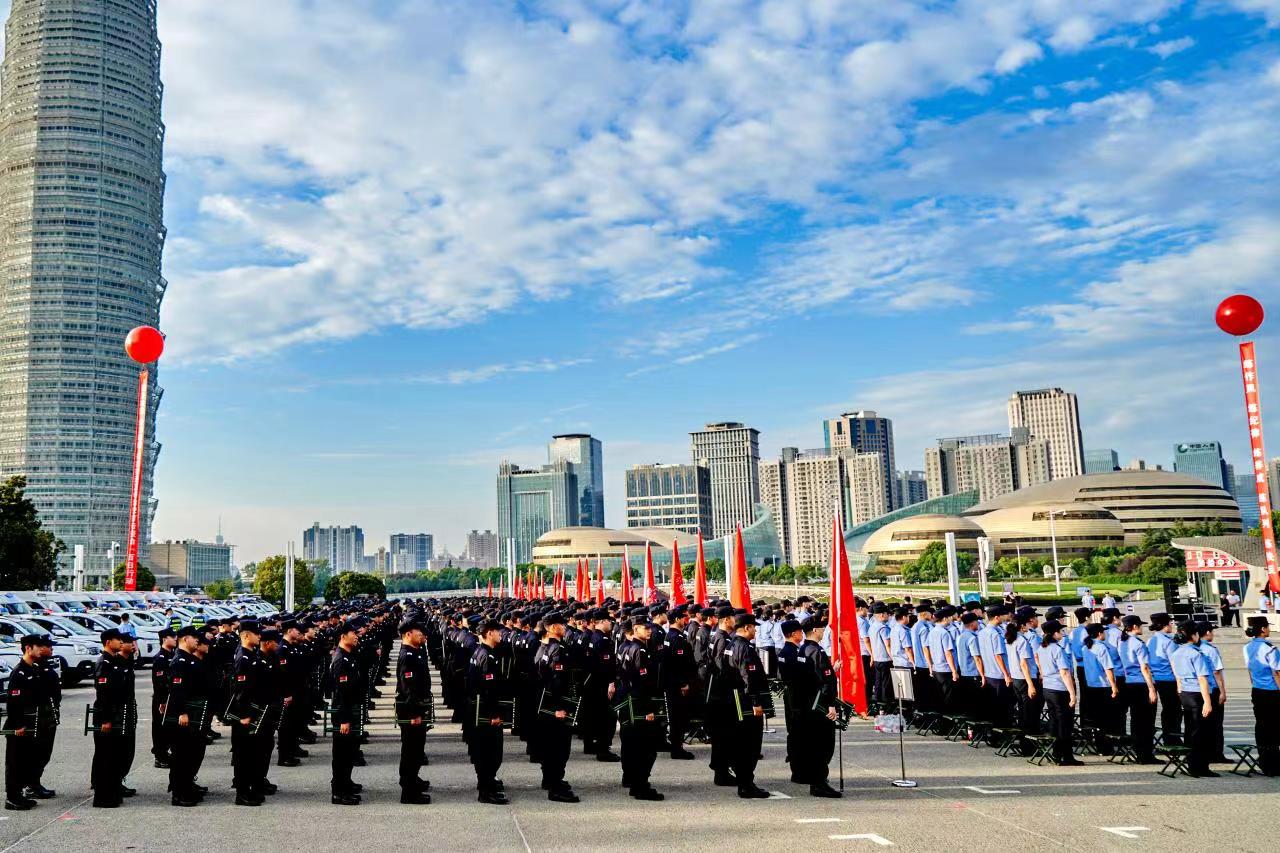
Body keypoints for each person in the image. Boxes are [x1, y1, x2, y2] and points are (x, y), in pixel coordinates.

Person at [782, 618, 841, 798]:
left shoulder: (802, 649)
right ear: (815, 630)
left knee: (813, 744)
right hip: (819, 706)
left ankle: (816, 780)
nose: (824, 632)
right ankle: (819, 783)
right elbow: (824, 681)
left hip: (807, 704)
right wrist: (831, 704)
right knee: (823, 746)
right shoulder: (816, 650)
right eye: (823, 629)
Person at [4, 635, 55, 810]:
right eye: (38, 646)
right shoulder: (19, 672)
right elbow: (13, 702)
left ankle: (20, 794)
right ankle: (12, 798)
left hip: (31, 724)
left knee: (25, 761)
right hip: (19, 725)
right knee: (15, 762)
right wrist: (17, 725)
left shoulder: (32, 669)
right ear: (28, 648)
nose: (41, 649)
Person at [533, 612, 579, 803]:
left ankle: (550, 780)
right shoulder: (557, 649)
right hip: (555, 706)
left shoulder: (544, 647)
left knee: (550, 746)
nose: (565, 626)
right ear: (552, 628)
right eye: (561, 624)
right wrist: (559, 707)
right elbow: (556, 681)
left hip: (545, 705)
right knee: (559, 748)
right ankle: (555, 786)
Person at [616, 617, 663, 801]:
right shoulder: (639, 650)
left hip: (629, 702)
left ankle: (633, 780)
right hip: (640, 704)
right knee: (645, 748)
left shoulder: (625, 646)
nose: (649, 630)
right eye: (646, 628)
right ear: (636, 629)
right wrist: (649, 709)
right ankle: (640, 785)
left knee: (631, 744)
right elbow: (642, 683)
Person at [724, 614, 770, 799]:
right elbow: (748, 677)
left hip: (734, 700)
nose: (756, 630)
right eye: (753, 627)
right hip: (745, 703)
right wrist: (755, 702)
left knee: (741, 744)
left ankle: (745, 782)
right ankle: (746, 784)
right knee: (749, 745)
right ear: (746, 628)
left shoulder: (731, 645)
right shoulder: (744, 648)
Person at [90, 628, 137, 809]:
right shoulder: (105, 663)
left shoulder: (115, 661)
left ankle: (113, 792)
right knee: (105, 758)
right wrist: (105, 719)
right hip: (107, 716)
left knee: (115, 757)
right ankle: (103, 797)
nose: (121, 642)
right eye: (117, 639)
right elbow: (103, 695)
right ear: (109, 642)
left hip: (118, 714)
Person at [227, 620, 271, 806]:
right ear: (246, 635)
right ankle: (242, 793)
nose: (259, 636)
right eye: (255, 633)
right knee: (243, 754)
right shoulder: (242, 657)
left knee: (253, 753)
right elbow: (240, 689)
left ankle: (251, 788)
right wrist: (244, 714)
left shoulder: (252, 654)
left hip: (254, 710)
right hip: (245, 714)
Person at [165, 626, 210, 807]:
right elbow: (177, 689)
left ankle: (187, 786)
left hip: (196, 712)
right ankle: (179, 793)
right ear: (184, 639)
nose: (197, 641)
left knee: (192, 752)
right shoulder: (179, 661)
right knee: (182, 755)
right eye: (194, 638)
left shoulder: (190, 659)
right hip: (185, 714)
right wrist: (182, 712)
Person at [466, 620, 509, 805]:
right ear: (489, 633)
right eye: (498, 632)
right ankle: (486, 791)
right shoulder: (487, 656)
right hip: (486, 713)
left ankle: (487, 785)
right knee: (491, 753)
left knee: (485, 753)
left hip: (479, 710)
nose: (501, 635)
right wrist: (494, 715)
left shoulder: (480, 652)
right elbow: (488, 689)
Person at [1170, 621, 1216, 777]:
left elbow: (1176, 675)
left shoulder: (1176, 653)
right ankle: (1200, 767)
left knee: (1190, 731)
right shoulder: (1196, 654)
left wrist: (1180, 690)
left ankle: (1191, 763)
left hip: (1185, 693)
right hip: (1198, 694)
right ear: (1193, 635)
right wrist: (1208, 702)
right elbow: (1202, 679)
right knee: (1201, 733)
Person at [394, 619, 433, 804]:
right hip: (411, 711)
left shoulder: (415, 652)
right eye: (419, 633)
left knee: (416, 750)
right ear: (408, 634)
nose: (422, 636)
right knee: (411, 750)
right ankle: (408, 792)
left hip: (417, 708)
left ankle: (411, 780)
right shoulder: (407, 656)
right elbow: (409, 688)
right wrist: (414, 714)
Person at [329, 620, 365, 805]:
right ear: (343, 637)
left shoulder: (349, 656)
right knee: (341, 754)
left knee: (349, 751)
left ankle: (346, 783)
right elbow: (340, 692)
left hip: (351, 709)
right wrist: (343, 719)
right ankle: (339, 791)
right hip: (343, 713)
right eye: (353, 633)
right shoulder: (340, 659)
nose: (357, 636)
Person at [1034, 621, 1080, 766]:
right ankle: (1066, 756)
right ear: (1054, 633)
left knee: (1054, 721)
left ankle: (1056, 752)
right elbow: (1064, 672)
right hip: (1060, 689)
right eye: (1060, 631)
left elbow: (1039, 664)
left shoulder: (1042, 648)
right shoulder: (1057, 649)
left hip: (1048, 688)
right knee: (1065, 724)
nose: (1062, 633)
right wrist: (1072, 694)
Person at [1118, 615, 1159, 763]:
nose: (1141, 628)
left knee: (1136, 720)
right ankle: (1146, 754)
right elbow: (1145, 667)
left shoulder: (1122, 641)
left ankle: (1137, 750)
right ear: (1135, 627)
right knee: (1146, 721)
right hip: (1141, 684)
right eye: (1140, 625)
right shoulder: (1138, 644)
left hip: (1129, 682)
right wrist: (1151, 689)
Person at [1243, 616, 1280, 776]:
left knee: (1261, 726)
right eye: (1267, 627)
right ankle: (1275, 763)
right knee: (1274, 728)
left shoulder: (1247, 647)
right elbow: (1277, 673)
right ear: (1263, 629)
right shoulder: (1270, 648)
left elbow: (1250, 671)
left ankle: (1265, 762)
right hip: (1272, 691)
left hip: (1257, 690)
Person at [661, 605, 697, 760]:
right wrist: (683, 683)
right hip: (677, 685)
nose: (686, 620)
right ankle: (677, 749)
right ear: (676, 619)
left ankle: (677, 745)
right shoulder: (676, 638)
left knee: (678, 717)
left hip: (672, 683)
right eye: (683, 618)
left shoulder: (671, 635)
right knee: (678, 717)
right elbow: (678, 664)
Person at [1079, 623, 1117, 753]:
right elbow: (1108, 668)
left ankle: (1099, 744)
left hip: (1091, 685)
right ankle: (1107, 747)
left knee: (1097, 718)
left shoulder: (1086, 647)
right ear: (1099, 633)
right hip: (1103, 685)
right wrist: (1114, 686)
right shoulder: (1101, 647)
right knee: (1107, 718)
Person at [1146, 613, 1181, 745]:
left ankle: (1168, 738)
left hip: (1156, 678)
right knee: (1173, 711)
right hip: (1169, 679)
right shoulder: (1169, 642)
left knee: (1165, 711)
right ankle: (1172, 739)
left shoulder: (1151, 640)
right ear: (1165, 626)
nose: (1172, 626)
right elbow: (1174, 663)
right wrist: (1179, 683)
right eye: (1170, 623)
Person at [1195, 622, 1227, 763]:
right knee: (1216, 724)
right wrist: (1222, 692)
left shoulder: (1195, 648)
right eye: (1212, 631)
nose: (1213, 634)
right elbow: (1217, 672)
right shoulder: (1211, 649)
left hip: (1199, 690)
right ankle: (1217, 754)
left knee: (1204, 724)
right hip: (1213, 689)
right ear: (1207, 632)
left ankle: (1206, 753)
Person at [151, 629, 176, 769]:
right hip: (162, 698)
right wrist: (162, 701)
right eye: (172, 637)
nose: (175, 639)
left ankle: (165, 753)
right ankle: (160, 756)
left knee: (168, 728)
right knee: (160, 729)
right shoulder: (160, 658)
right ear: (164, 639)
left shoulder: (172, 655)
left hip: (170, 697)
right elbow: (160, 682)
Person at [928, 607, 959, 712]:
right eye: (950, 617)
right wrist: (954, 671)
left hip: (937, 668)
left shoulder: (932, 631)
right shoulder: (944, 633)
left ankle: (941, 722)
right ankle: (948, 722)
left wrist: (930, 665)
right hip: (946, 669)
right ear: (945, 618)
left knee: (940, 697)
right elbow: (948, 653)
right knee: (949, 697)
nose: (951, 619)